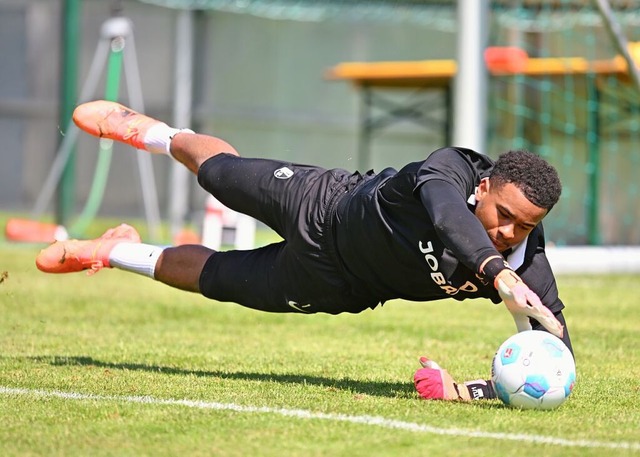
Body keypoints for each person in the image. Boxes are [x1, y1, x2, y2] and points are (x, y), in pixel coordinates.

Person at [36, 100, 571, 402]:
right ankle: (153, 131)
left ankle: (114, 253)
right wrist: (496, 273)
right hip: (323, 202)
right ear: (484, 187)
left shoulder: (523, 262)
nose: (510, 233)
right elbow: (444, 213)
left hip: (339, 285)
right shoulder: (453, 171)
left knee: (216, 279)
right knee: (221, 175)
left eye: (525, 227)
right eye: (504, 216)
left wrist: (471, 391)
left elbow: (556, 357)